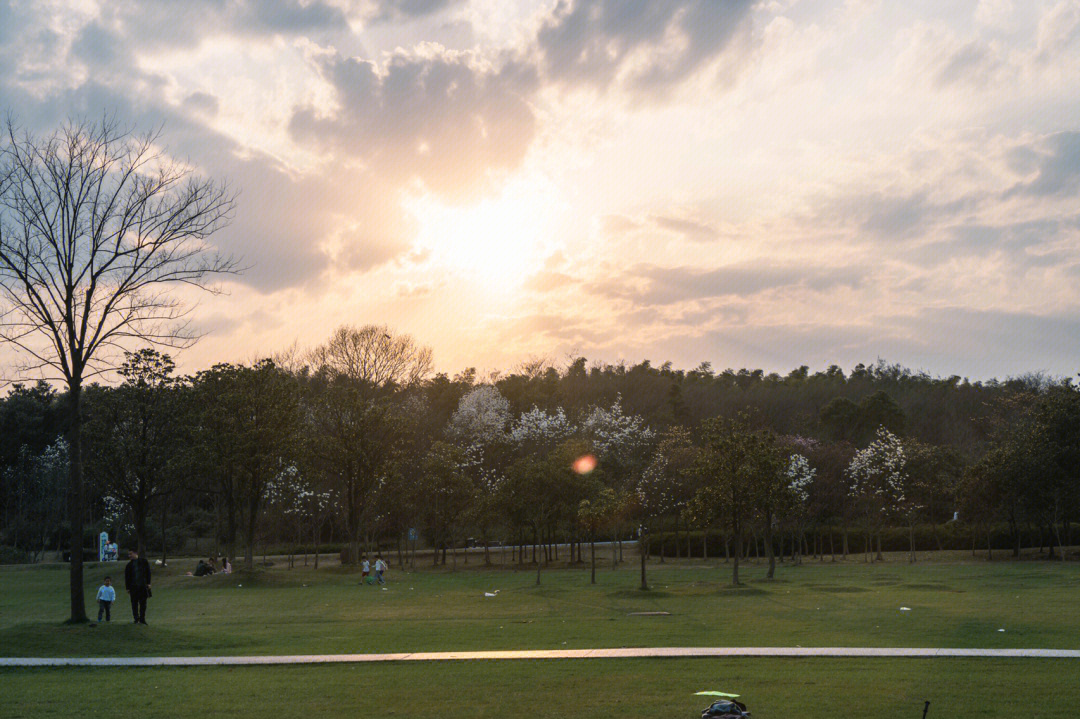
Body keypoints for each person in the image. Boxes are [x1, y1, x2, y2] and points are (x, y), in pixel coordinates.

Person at [124, 548, 151, 625]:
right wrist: (127, 588)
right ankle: (136, 619)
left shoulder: (144, 562)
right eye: (129, 554)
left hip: (142, 586)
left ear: (135, 553)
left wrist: (148, 583)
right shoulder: (129, 565)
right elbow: (127, 577)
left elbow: (148, 572)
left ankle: (142, 619)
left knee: (143, 603)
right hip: (133, 587)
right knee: (134, 603)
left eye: (131, 554)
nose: (129, 556)